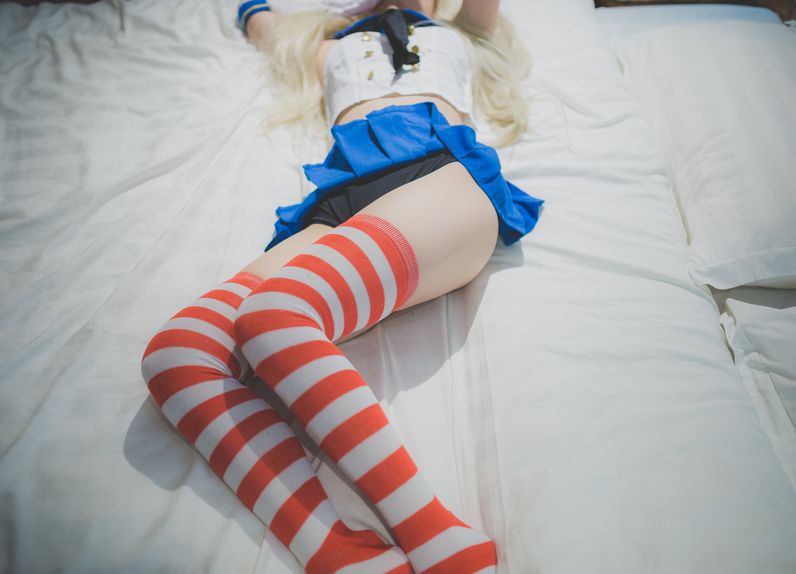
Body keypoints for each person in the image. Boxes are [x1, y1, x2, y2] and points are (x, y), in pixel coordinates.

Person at [140, 1, 543, 572]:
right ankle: (334, 549)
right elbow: (256, 16)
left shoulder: (464, 31)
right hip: (337, 200)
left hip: (439, 172)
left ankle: (436, 536)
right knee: (179, 355)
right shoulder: (326, 44)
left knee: (275, 314)